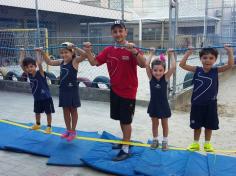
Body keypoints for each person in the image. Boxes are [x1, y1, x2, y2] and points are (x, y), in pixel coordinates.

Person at [83, 20, 146, 161]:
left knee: (126, 121)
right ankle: (125, 141)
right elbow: (94, 62)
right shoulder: (108, 50)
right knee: (121, 119)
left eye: (120, 31)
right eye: (115, 31)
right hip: (115, 89)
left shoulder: (132, 48)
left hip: (128, 91)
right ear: (112, 33)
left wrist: (135, 51)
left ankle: (126, 148)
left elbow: (143, 64)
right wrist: (88, 51)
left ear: (125, 32)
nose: (118, 34)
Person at [179, 45, 234, 152]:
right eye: (204, 58)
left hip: (211, 104)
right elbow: (182, 64)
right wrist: (188, 52)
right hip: (197, 104)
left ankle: (207, 144)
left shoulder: (216, 70)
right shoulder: (197, 69)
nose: (207, 60)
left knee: (209, 126)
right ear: (201, 59)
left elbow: (230, 65)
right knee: (196, 126)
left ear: (215, 60)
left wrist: (229, 51)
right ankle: (195, 143)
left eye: (211, 58)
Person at [40, 42, 85, 142]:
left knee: (73, 110)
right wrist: (43, 52)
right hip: (63, 90)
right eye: (62, 53)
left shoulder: (75, 61)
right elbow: (49, 62)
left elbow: (84, 55)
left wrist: (75, 47)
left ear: (72, 53)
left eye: (66, 52)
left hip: (72, 90)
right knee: (65, 111)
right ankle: (68, 130)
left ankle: (73, 131)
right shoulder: (61, 61)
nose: (64, 55)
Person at [146, 48, 176, 151]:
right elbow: (146, 65)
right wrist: (151, 53)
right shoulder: (151, 78)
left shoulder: (165, 78)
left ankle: (165, 141)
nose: (157, 73)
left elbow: (173, 67)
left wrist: (171, 54)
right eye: (155, 70)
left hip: (163, 105)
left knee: (164, 124)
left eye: (160, 70)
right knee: (155, 124)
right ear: (152, 70)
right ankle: (155, 140)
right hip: (154, 105)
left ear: (164, 71)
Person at [19, 49, 55, 134]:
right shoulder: (29, 74)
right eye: (27, 67)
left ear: (35, 66)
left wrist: (38, 52)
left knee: (48, 113)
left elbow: (39, 63)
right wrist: (22, 53)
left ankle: (49, 127)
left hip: (46, 98)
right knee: (37, 112)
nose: (29, 69)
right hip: (37, 98)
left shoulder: (40, 73)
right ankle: (38, 124)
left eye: (31, 66)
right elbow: (21, 64)